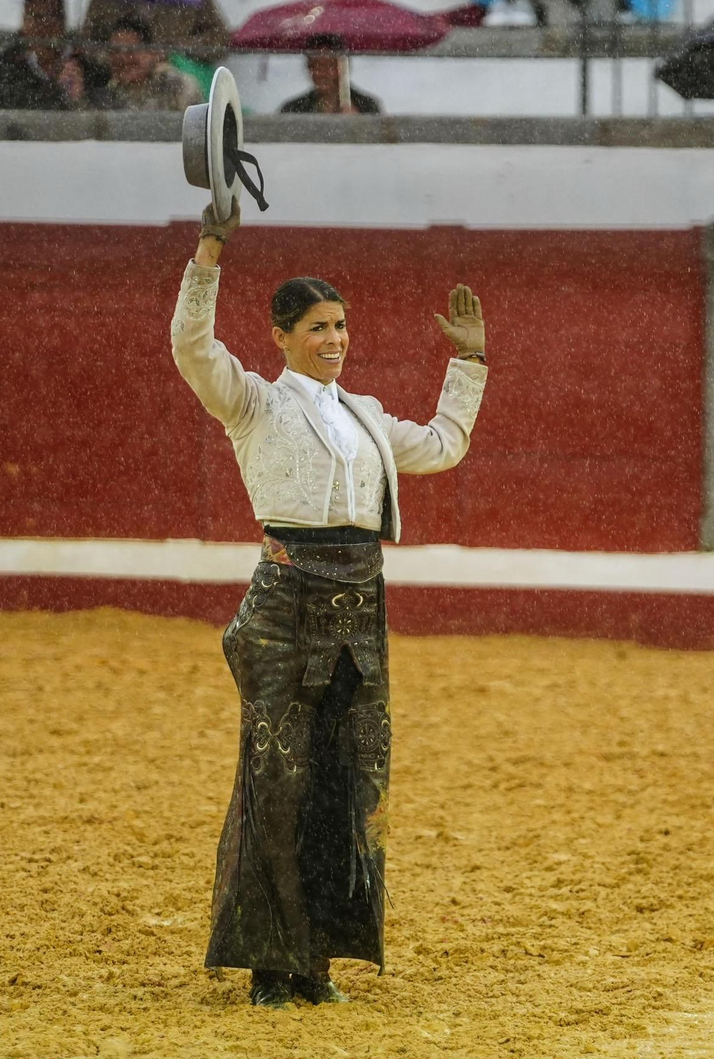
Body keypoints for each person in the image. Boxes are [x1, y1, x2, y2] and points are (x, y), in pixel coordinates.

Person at [172, 198, 488, 1007]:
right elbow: (192, 347)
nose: (335, 340)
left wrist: (469, 363)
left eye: (341, 326)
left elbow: (444, 447)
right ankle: (270, 967)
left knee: (342, 785)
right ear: (280, 337)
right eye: (317, 328)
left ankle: (314, 961)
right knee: (278, 780)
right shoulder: (254, 402)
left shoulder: (367, 418)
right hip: (286, 608)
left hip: (358, 613)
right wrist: (209, 253)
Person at [91, 14, 201, 112]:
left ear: (150, 53)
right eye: (115, 51)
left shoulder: (176, 87)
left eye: (130, 50)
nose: (123, 59)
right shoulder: (105, 94)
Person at [279, 34, 381, 115]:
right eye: (316, 65)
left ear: (344, 67)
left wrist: (358, 125)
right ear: (309, 68)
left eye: (330, 66)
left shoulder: (367, 106)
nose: (322, 73)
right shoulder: (293, 109)